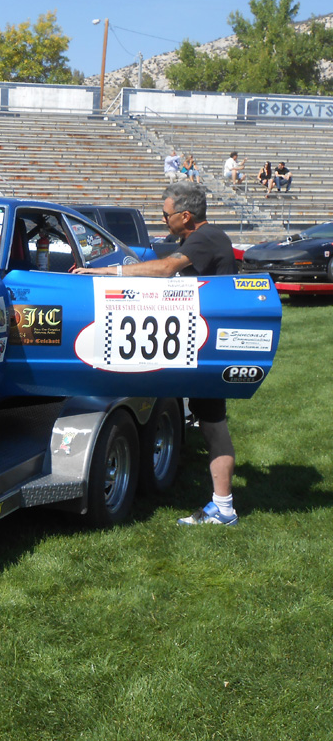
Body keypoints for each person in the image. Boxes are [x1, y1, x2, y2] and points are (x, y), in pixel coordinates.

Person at [73, 182, 239, 525]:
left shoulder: (205, 238)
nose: (163, 219)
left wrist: (104, 272)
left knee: (213, 425)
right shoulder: (202, 238)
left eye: (166, 215)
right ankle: (222, 505)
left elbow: (165, 270)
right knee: (210, 423)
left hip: (208, 346)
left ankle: (224, 508)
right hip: (203, 342)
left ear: (186, 216)